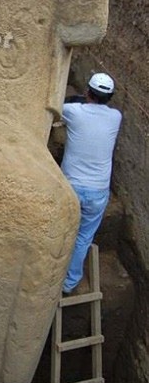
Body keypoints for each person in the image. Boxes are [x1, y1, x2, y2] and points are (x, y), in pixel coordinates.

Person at [61, 72, 122, 294]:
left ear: (87, 91)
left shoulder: (72, 112)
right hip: (98, 192)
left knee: (60, 229)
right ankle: (70, 281)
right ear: (110, 97)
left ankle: (49, 271)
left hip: (70, 188)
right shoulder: (116, 117)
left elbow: (59, 106)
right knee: (84, 236)